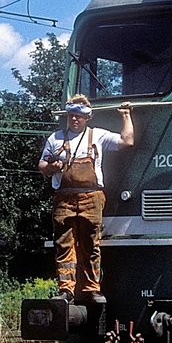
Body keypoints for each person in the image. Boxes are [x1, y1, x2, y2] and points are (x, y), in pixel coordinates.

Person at [38, 95, 134, 303]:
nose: (75, 120)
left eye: (79, 116)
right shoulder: (55, 139)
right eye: (72, 116)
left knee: (91, 244)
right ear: (67, 116)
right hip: (64, 198)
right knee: (64, 245)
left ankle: (92, 289)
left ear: (87, 118)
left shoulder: (97, 136)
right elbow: (42, 167)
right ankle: (66, 290)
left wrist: (126, 116)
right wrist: (52, 167)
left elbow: (127, 141)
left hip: (92, 198)